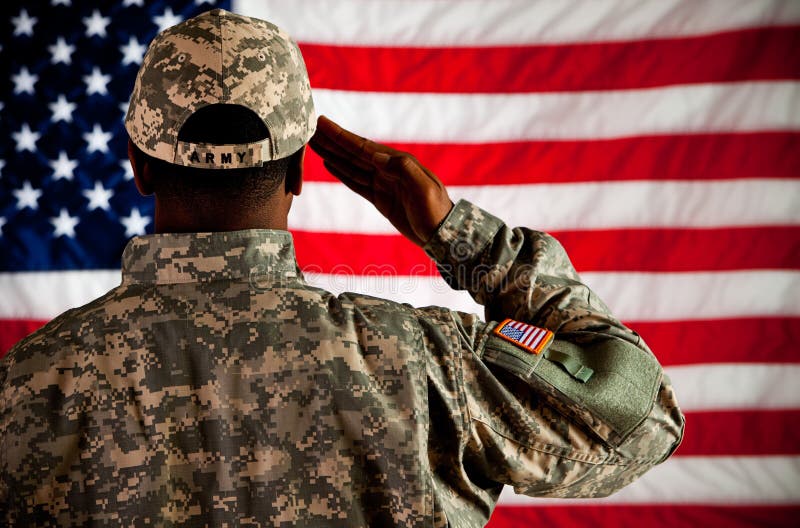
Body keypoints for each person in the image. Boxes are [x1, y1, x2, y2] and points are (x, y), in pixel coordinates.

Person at [0, 9, 684, 527]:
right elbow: (639, 417)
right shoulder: (425, 366)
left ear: (138, 164)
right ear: (301, 167)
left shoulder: (25, 385)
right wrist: (465, 239)